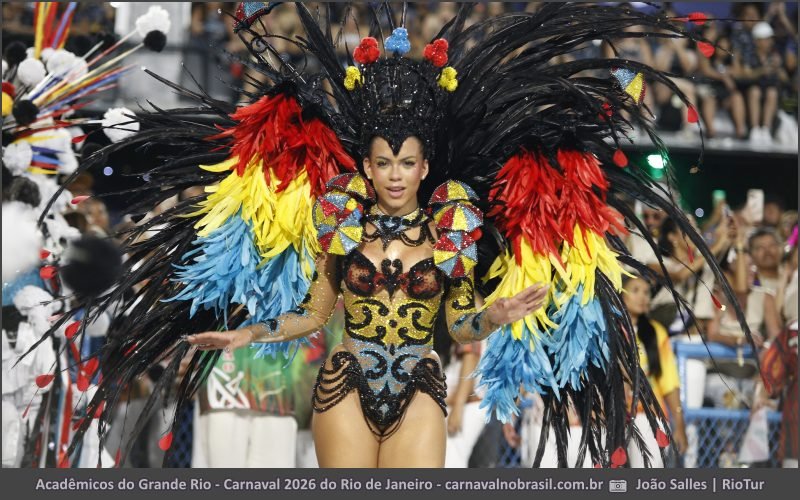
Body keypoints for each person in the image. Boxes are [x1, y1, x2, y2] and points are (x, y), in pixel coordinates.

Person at [37, 3, 748, 469]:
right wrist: (246, 335)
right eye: (382, 161)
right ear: (368, 162)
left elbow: (459, 322)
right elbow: (318, 312)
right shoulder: (340, 215)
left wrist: (494, 316)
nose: (395, 174)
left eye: (407, 162)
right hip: (342, 386)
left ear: (425, 162)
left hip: (423, 387)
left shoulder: (455, 221)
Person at [621, 275, 687, 467]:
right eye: (635, 290)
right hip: (614, 416)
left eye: (646, 292)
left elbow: (669, 382)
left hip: (649, 416)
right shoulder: (606, 330)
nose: (642, 297)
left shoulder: (656, 332)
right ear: (620, 295)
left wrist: (679, 424)